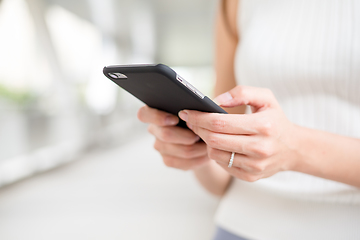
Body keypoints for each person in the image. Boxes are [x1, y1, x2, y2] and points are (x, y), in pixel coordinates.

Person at [137, 0, 360, 239]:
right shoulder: (234, 4)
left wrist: (294, 148)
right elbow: (221, 181)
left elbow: (286, 147)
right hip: (238, 227)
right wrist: (198, 146)